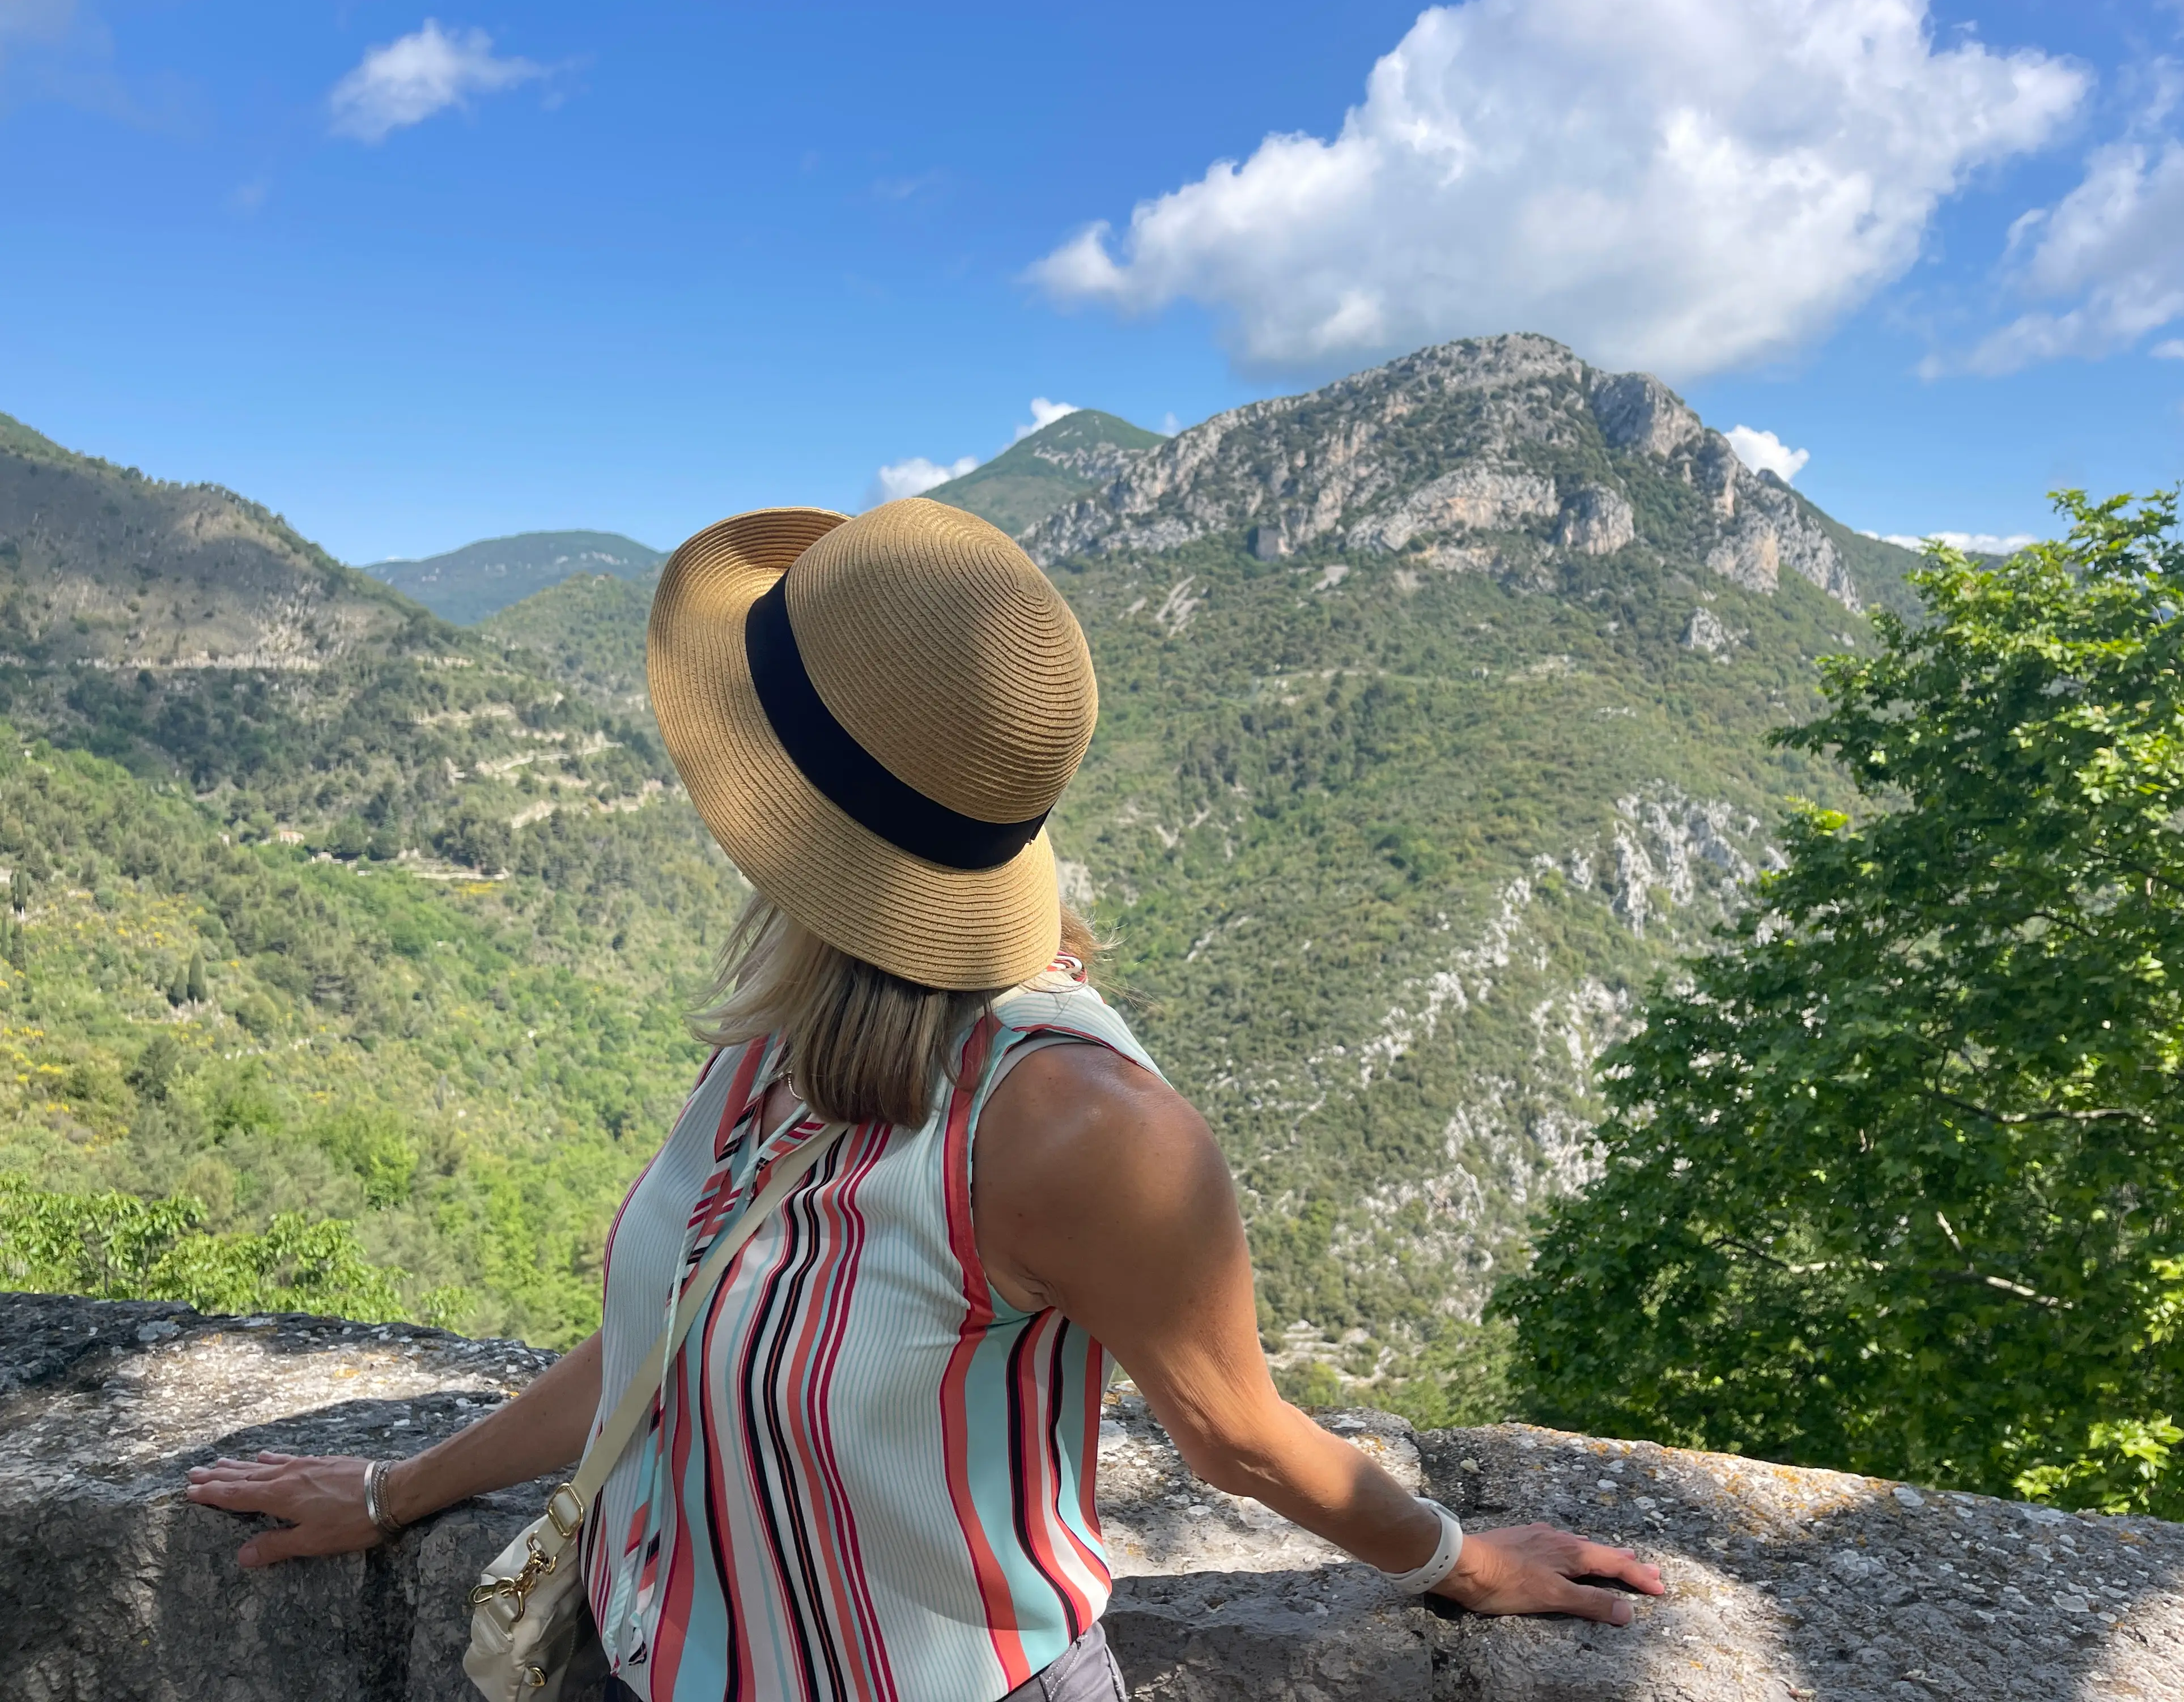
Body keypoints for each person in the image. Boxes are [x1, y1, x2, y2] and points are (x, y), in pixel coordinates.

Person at [186, 500, 1662, 1701]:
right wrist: (397, 1493)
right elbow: (671, 1332)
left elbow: (1238, 1434)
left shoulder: (1082, 1130)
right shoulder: (778, 1036)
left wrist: (1453, 1559)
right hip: (641, 1664)